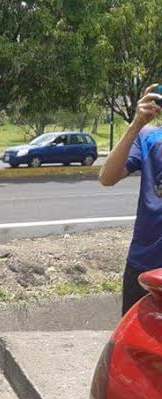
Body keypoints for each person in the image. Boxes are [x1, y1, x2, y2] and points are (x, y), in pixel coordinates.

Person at [99, 83, 162, 314]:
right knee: (138, 346)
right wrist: (136, 124)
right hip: (144, 264)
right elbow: (107, 177)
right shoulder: (148, 137)